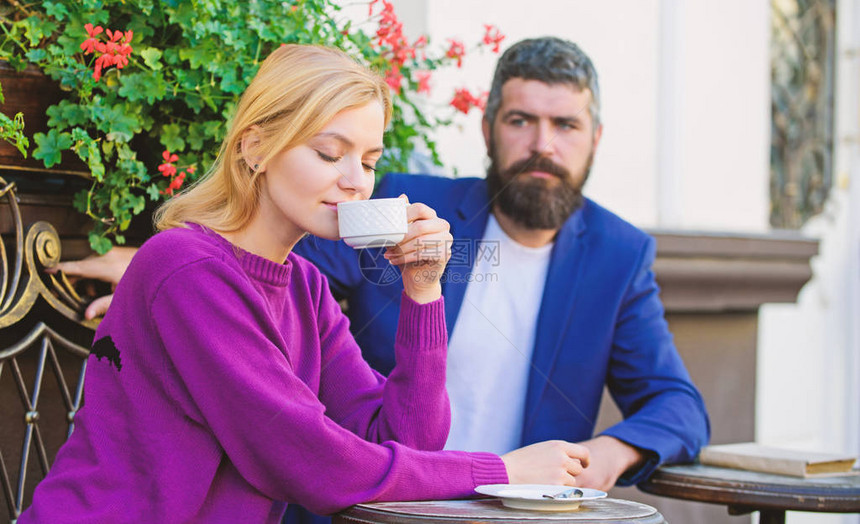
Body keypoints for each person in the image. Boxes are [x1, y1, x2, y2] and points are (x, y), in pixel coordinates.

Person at [55, 36, 709, 501]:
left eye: (367, 161)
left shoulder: (306, 288)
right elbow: (316, 461)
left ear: (596, 136)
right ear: (254, 145)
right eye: (329, 152)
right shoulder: (192, 269)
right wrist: (503, 470)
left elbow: (405, 436)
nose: (354, 183)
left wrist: (424, 292)